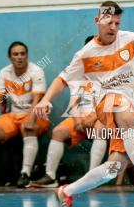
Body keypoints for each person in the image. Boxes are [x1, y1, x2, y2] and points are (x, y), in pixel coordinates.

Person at [34, 1, 134, 207]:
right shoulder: (86, 54)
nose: (113, 27)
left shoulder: (132, 40)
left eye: (117, 22)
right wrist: (45, 99)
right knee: (122, 112)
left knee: (114, 167)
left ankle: (67, 191)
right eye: (109, 22)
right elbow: (63, 79)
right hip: (110, 104)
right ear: (97, 21)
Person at [32, 36, 108, 191]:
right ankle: (50, 177)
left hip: (103, 117)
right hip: (82, 117)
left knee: (100, 129)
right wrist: (78, 119)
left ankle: (91, 177)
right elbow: (74, 101)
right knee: (58, 132)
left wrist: (94, 117)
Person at [0, 41, 49, 188]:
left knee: (28, 128)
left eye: (23, 54)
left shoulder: (36, 70)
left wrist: (31, 119)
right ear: (10, 57)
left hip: (36, 114)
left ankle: (25, 174)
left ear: (27, 55)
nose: (19, 57)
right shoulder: (4, 72)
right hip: (13, 115)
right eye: (16, 54)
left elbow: (37, 98)